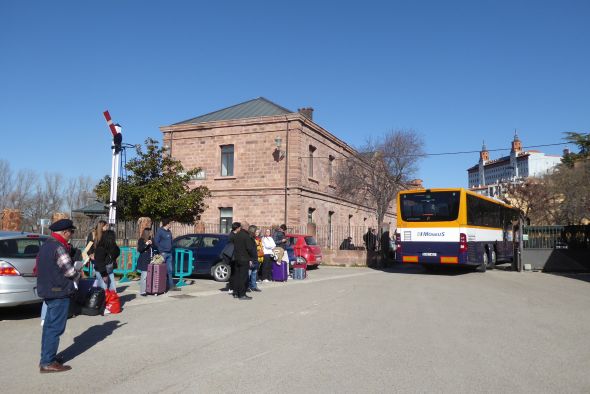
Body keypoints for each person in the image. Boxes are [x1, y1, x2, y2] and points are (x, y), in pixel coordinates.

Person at [37, 218, 81, 373]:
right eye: (71, 232)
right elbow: (70, 271)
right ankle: (47, 362)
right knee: (55, 328)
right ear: (65, 232)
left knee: (49, 327)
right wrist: (78, 275)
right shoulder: (59, 247)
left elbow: (38, 268)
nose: (72, 234)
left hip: (47, 290)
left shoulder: (45, 246)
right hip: (59, 291)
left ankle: (47, 358)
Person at [231, 222, 257, 300]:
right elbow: (249, 248)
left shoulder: (236, 235)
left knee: (237, 276)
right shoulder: (246, 236)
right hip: (244, 259)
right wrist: (252, 258)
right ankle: (242, 294)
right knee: (243, 277)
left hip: (236, 258)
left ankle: (235, 292)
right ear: (246, 227)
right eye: (248, 226)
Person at [93, 230, 120, 299]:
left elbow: (117, 253)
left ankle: (111, 304)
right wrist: (104, 275)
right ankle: (102, 306)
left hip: (109, 269)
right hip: (101, 271)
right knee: (103, 290)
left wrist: (115, 246)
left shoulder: (111, 246)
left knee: (112, 289)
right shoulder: (100, 248)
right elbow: (99, 263)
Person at [154, 219, 178, 291]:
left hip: (169, 253)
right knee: (162, 270)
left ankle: (171, 286)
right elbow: (156, 242)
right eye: (170, 223)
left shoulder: (169, 232)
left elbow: (171, 241)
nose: (171, 225)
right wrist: (161, 251)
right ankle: (161, 286)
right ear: (167, 224)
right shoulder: (160, 231)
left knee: (170, 270)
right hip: (163, 253)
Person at [136, 228, 153, 296]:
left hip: (151, 259)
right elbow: (140, 249)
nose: (151, 233)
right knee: (144, 276)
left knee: (149, 276)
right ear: (147, 233)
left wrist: (153, 244)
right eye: (150, 232)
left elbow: (154, 248)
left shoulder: (151, 239)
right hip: (144, 260)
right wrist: (146, 243)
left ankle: (148, 289)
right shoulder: (141, 240)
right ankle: (142, 291)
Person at [248, 227, 262, 292]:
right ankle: (247, 286)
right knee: (249, 274)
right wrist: (249, 259)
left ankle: (254, 286)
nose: (256, 233)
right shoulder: (249, 238)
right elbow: (248, 250)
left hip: (255, 258)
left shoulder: (254, 239)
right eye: (255, 232)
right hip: (251, 259)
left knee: (254, 273)